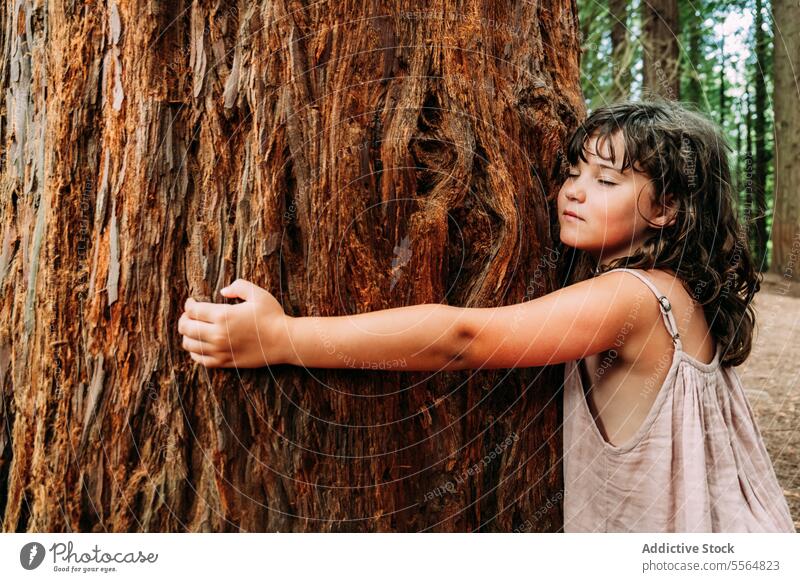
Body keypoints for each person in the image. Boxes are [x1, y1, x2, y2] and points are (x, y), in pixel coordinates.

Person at [176, 101, 796, 532]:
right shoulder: (678, 294)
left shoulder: (631, 297)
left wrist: (283, 337)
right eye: (572, 173)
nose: (574, 191)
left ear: (665, 209)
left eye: (606, 180)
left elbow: (462, 338)